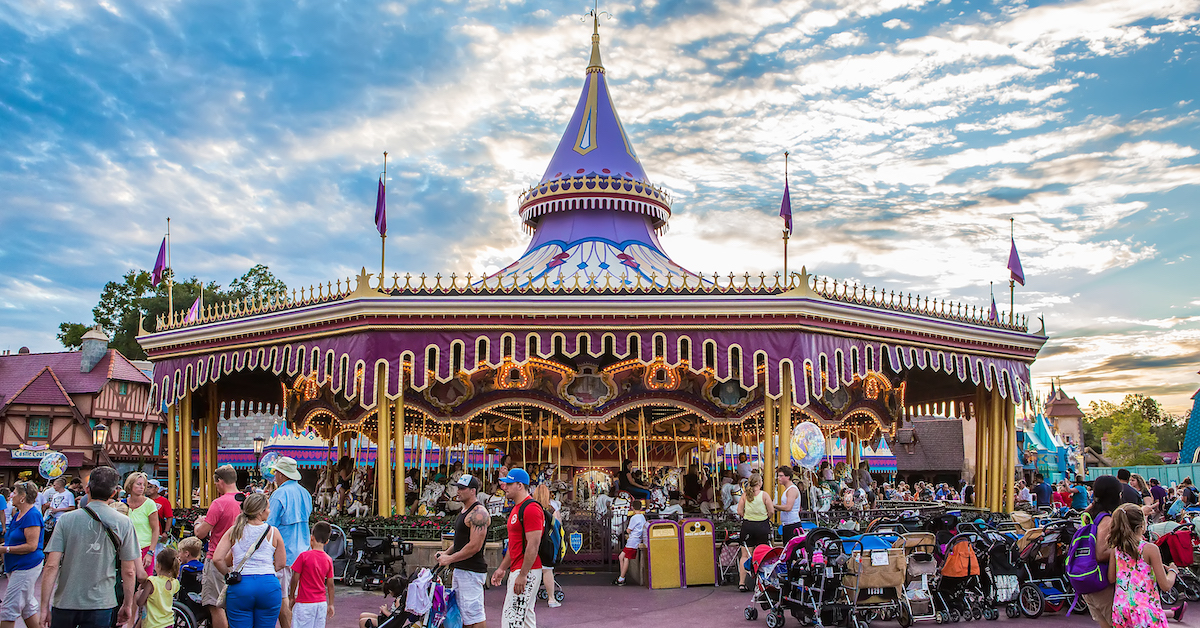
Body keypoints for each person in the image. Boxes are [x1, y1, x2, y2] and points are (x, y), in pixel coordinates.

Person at [39, 466, 139, 628]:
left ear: (87, 489)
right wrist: (127, 604)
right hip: (101, 602)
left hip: (66, 600)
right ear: (113, 493)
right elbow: (129, 570)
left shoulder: (66, 520)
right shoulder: (124, 522)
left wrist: (44, 607)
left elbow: (51, 565)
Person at [1108, 503, 1188, 626]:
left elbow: (1112, 578)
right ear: (1141, 525)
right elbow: (1165, 586)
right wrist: (1173, 571)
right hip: (1145, 611)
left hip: (1121, 608)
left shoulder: (1117, 549)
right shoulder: (1150, 549)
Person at [214, 494, 286, 628]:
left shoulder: (234, 530)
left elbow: (217, 559)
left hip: (241, 585)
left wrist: (228, 574)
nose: (269, 511)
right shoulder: (273, 532)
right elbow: (281, 563)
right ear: (260, 511)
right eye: (268, 508)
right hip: (268, 584)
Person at [489, 469, 542, 628]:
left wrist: (523, 574)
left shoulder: (531, 508)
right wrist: (502, 568)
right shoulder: (517, 508)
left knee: (511, 619)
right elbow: (515, 545)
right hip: (521, 569)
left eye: (509, 484)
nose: (504, 486)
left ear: (520, 485)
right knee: (525, 618)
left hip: (526, 570)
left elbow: (533, 544)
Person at [435, 475, 489, 628]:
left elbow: (474, 546)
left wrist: (450, 559)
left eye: (462, 488)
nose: (458, 491)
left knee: (475, 615)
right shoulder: (465, 510)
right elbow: (460, 541)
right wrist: (446, 553)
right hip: (461, 569)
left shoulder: (479, 513)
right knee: (464, 614)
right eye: (457, 487)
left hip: (472, 571)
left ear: (473, 491)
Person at [195, 465, 243, 628]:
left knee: (216, 605)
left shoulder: (219, 503)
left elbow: (201, 533)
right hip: (240, 559)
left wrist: (198, 523)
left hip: (218, 557)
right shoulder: (246, 500)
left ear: (220, 481)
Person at [268, 457, 313, 628]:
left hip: (284, 554)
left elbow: (270, 525)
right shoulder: (305, 493)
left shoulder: (279, 494)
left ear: (281, 474)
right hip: (302, 552)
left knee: (283, 597)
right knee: (297, 596)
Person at [1, 481, 45, 628]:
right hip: (16, 565)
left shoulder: (32, 515)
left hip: (26, 565)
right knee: (27, 606)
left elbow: (32, 546)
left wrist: (5, 550)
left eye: (14, 492)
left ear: (22, 497)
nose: (11, 495)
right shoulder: (19, 514)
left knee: (9, 609)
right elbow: (11, 540)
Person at [1081, 475, 1122, 628]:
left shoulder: (1089, 513)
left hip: (1088, 580)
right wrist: (1118, 550)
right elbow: (1100, 553)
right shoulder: (1107, 520)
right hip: (1102, 583)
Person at [288, 521, 335, 628]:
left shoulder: (304, 556)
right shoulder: (328, 560)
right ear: (327, 541)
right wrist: (331, 603)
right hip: (321, 603)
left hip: (304, 602)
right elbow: (330, 584)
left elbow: (295, 578)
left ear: (311, 538)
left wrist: (291, 596)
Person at [736, 474, 774, 592]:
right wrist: (765, 517)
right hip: (762, 525)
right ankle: (765, 581)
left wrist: (748, 517)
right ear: (759, 483)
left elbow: (739, 511)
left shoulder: (745, 495)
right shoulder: (764, 495)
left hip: (748, 526)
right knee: (765, 554)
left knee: (745, 555)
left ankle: (742, 583)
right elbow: (771, 511)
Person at [531, 484, 562, 607]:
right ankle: (551, 598)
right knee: (547, 570)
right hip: (548, 543)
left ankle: (531, 597)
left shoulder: (532, 508)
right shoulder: (552, 510)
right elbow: (559, 527)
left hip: (534, 541)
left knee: (532, 569)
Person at [135, 548, 181, 628]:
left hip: (153, 624)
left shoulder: (152, 582)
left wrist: (138, 590)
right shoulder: (175, 583)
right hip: (168, 623)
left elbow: (140, 602)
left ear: (158, 565)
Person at [124, 472, 160, 572]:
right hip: (127, 549)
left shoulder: (149, 504)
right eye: (138, 484)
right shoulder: (123, 504)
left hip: (145, 548)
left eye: (144, 485)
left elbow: (156, 529)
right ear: (130, 485)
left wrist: (151, 552)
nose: (142, 487)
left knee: (144, 581)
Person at [614, 499, 646, 587]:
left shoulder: (634, 518)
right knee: (621, 557)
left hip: (632, 540)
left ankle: (621, 578)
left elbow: (628, 530)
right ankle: (622, 576)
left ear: (632, 508)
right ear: (641, 507)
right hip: (636, 539)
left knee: (625, 558)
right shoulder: (642, 517)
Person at [776, 466, 802, 543]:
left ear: (788, 477)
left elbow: (788, 507)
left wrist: (774, 506)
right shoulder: (788, 489)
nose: (779, 478)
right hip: (787, 524)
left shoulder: (792, 490)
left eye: (781, 476)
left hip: (792, 524)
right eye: (778, 476)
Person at [147, 480, 173, 546]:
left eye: (150, 487)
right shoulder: (145, 500)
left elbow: (169, 517)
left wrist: (166, 532)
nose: (148, 489)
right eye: (147, 487)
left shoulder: (164, 501)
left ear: (157, 489)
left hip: (158, 533)